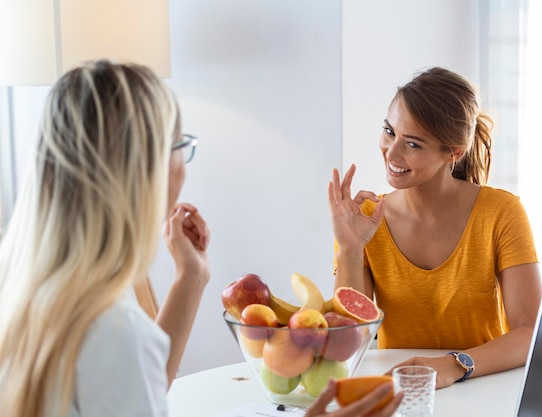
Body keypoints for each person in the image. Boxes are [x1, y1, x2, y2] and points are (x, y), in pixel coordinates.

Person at [0, 60, 402, 417]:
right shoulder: (112, 330)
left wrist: (191, 278)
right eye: (182, 145)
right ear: (145, 167)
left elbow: (139, 387)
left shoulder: (26, 285)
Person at [328, 66, 542, 389]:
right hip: (402, 392)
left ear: (454, 152)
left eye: (413, 144)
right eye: (389, 131)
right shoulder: (365, 220)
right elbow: (348, 344)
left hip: (483, 388)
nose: (392, 152)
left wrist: (452, 365)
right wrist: (349, 249)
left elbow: (530, 334)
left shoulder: (501, 213)